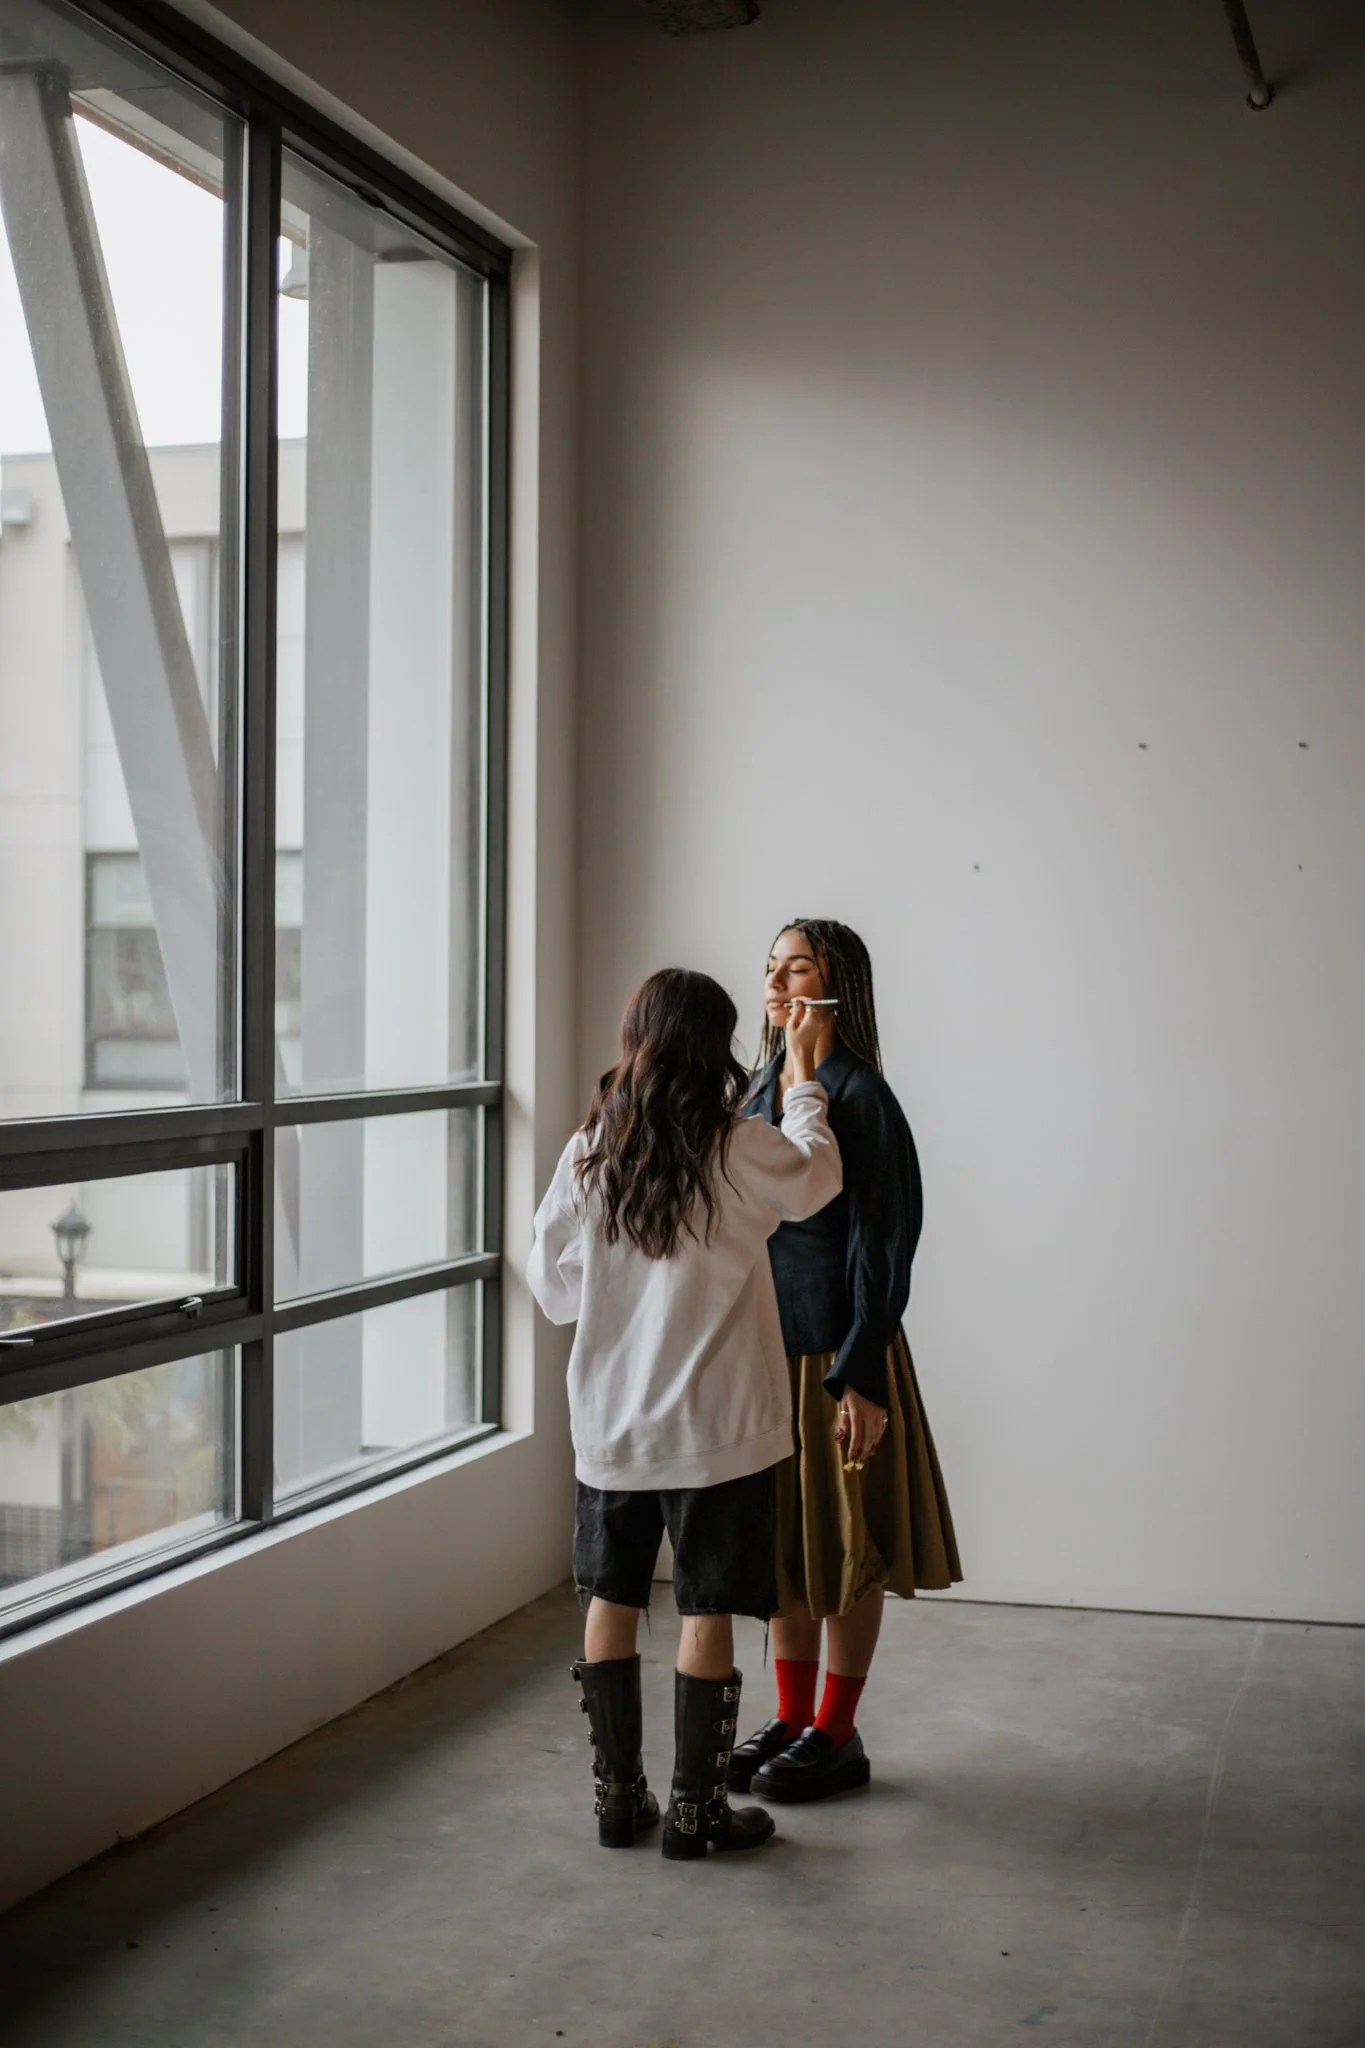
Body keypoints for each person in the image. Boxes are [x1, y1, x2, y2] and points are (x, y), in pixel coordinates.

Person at [528, 967, 841, 1860]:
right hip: (717, 1430)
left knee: (612, 1596)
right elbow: (817, 1181)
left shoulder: (591, 1148)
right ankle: (697, 1813)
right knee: (705, 1607)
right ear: (716, 1046)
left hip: (611, 1427)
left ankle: (617, 1803)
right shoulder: (740, 1146)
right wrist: (803, 1088)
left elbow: (551, 1287)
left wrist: (618, 1291)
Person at [727, 919, 961, 1804]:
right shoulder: (761, 1090)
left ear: (838, 985)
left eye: (799, 968)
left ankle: (836, 1728)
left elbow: (884, 1246)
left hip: (837, 1351)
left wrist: (859, 1372)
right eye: (770, 969)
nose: (779, 984)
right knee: (787, 1542)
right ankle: (790, 1716)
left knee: (849, 1540)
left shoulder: (860, 1095)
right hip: (765, 1349)